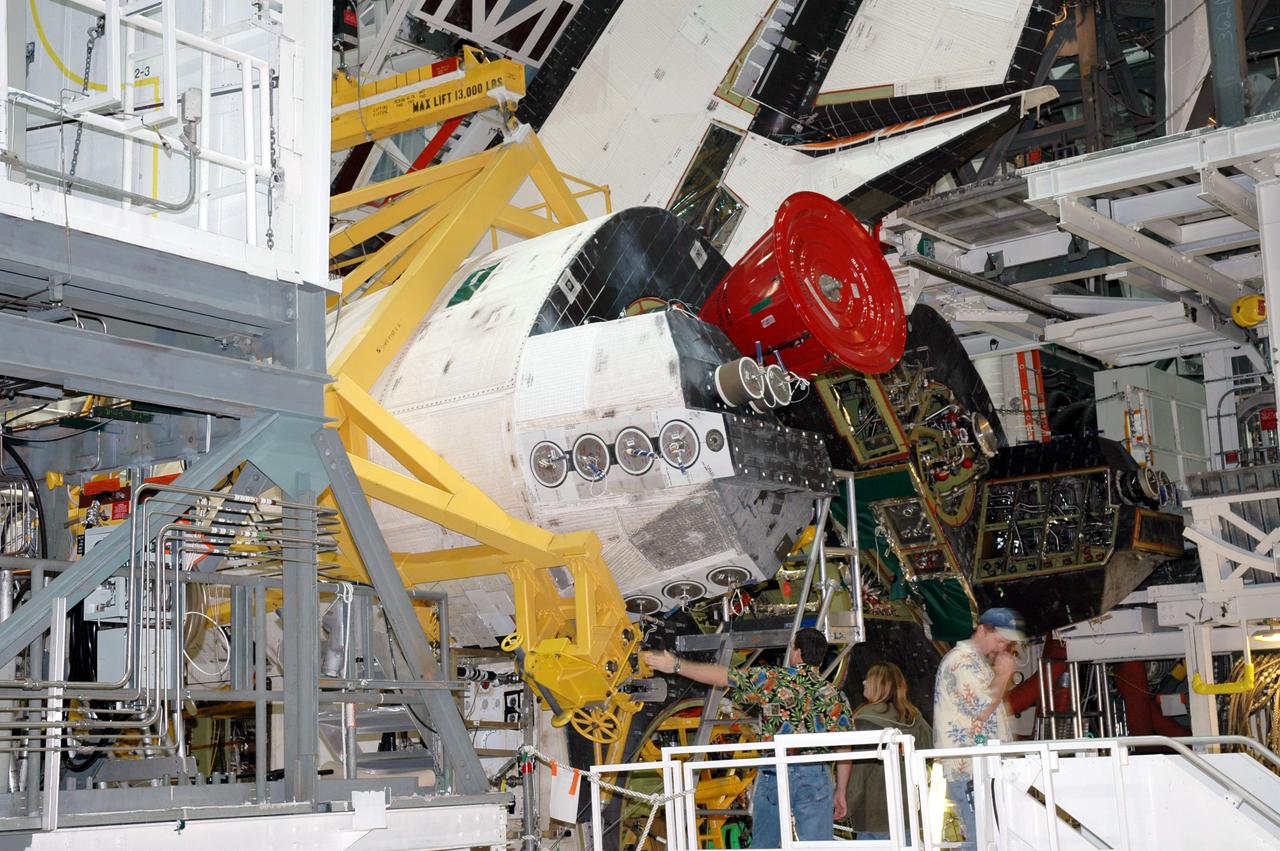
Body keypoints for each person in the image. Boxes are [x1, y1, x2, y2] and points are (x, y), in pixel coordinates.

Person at [643, 628, 854, 848]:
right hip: (815, 773)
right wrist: (841, 790)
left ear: (797, 652)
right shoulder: (834, 696)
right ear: (820, 658)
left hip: (775, 771)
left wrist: (676, 665)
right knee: (819, 846)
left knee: (764, 844)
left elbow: (723, 676)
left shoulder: (772, 680)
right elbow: (844, 747)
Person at [933, 607, 1026, 851]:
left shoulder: (976, 663)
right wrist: (1004, 675)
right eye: (998, 641)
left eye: (1005, 644)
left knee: (986, 839)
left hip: (979, 770)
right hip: (969, 771)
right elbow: (982, 707)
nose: (1001, 648)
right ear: (982, 630)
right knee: (981, 841)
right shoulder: (961, 661)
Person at [844, 661, 933, 841]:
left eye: (868, 679)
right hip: (910, 812)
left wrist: (846, 805)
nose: (863, 683)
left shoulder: (864, 720)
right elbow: (929, 751)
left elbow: (859, 774)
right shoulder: (914, 717)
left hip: (874, 814)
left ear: (879, 685)